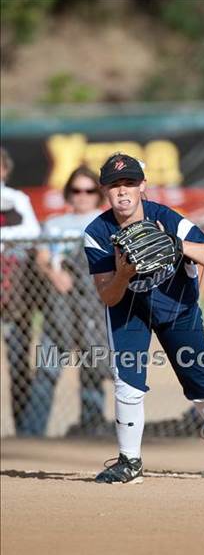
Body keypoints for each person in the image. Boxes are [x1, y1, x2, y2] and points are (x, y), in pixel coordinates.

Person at [84, 153, 204, 484]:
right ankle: (129, 461)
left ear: (143, 186)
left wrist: (176, 244)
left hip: (177, 308)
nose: (123, 192)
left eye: (130, 183)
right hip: (128, 310)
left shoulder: (168, 218)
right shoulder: (96, 232)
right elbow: (107, 295)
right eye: (114, 185)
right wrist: (122, 275)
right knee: (127, 382)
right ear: (105, 191)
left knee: (200, 383)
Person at [22, 166, 113, 436]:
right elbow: (41, 259)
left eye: (88, 190)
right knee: (47, 372)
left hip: (92, 310)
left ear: (97, 194)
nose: (82, 196)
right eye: (76, 190)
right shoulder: (54, 224)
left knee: (93, 370)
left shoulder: (107, 222)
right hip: (59, 309)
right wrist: (54, 274)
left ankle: (91, 427)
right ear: (68, 194)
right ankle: (31, 435)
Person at [1, 146, 41, 434]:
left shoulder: (15, 200)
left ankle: (22, 429)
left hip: (13, 291)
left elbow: (32, 233)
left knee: (17, 358)